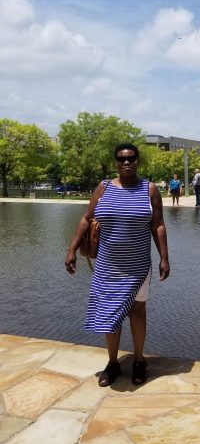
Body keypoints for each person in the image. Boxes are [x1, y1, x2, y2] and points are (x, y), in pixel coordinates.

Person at [64, 143, 170, 387]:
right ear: (116, 163)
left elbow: (158, 225)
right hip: (107, 266)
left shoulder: (149, 189)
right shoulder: (104, 188)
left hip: (138, 265)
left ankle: (139, 361)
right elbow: (85, 219)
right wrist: (71, 250)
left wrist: (164, 257)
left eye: (131, 158)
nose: (126, 162)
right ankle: (112, 363)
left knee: (137, 311)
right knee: (110, 313)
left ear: (138, 161)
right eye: (121, 159)